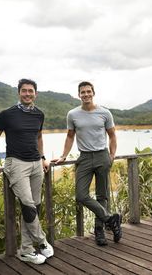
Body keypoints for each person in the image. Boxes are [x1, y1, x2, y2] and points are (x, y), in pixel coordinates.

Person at [0, 78, 54, 264]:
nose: (27, 94)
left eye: (30, 91)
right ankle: (41, 241)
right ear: (19, 93)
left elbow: (39, 137)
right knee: (27, 204)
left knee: (35, 205)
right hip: (16, 164)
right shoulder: (6, 115)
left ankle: (25, 250)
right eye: (24, 91)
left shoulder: (39, 115)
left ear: (36, 93)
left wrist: (42, 157)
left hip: (36, 164)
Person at [52, 81, 122, 246]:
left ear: (93, 93)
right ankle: (111, 219)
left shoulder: (105, 113)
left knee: (102, 195)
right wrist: (63, 155)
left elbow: (112, 135)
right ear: (79, 95)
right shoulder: (72, 114)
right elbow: (70, 136)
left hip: (102, 156)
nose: (86, 95)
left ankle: (100, 232)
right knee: (81, 195)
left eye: (88, 92)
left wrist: (111, 154)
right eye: (82, 92)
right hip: (84, 158)